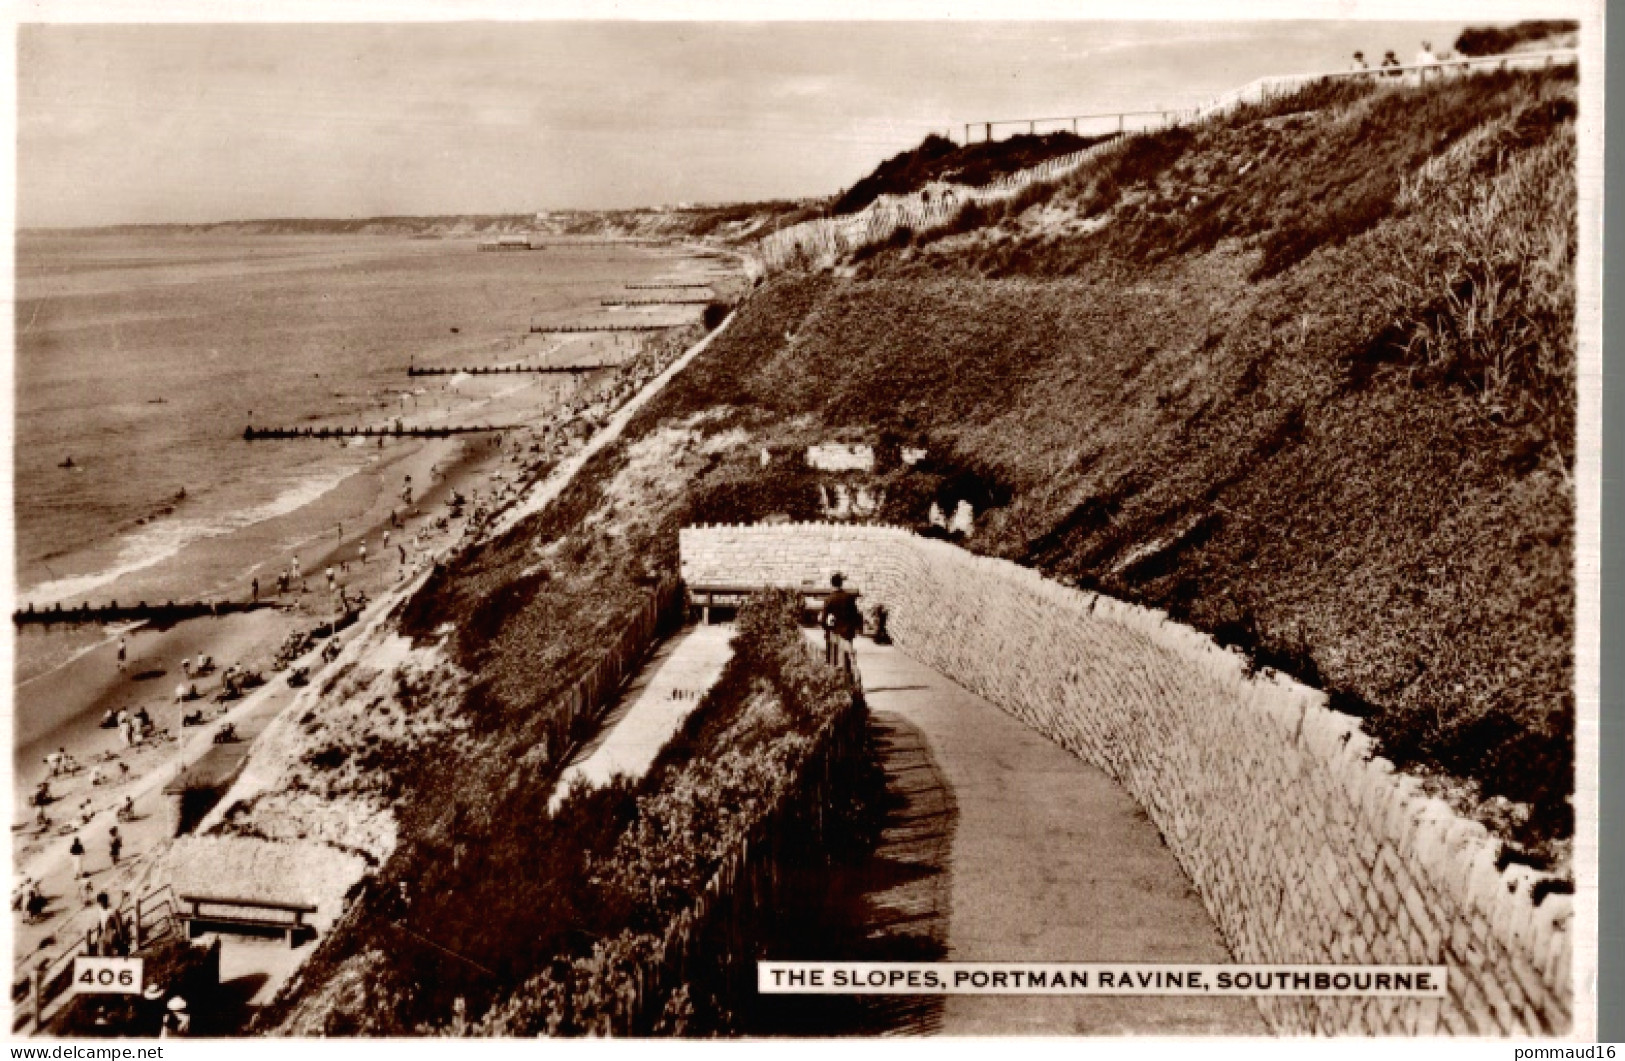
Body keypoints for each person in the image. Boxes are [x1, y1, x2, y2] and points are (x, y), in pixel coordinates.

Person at [819, 573, 864, 687]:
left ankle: (837, 682)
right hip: (848, 631)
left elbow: (823, 619)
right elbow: (856, 615)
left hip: (835, 632)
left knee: (835, 658)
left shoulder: (829, 599)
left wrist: (827, 628)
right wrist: (857, 628)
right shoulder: (849, 598)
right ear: (841, 583)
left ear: (832, 584)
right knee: (848, 658)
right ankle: (851, 681)